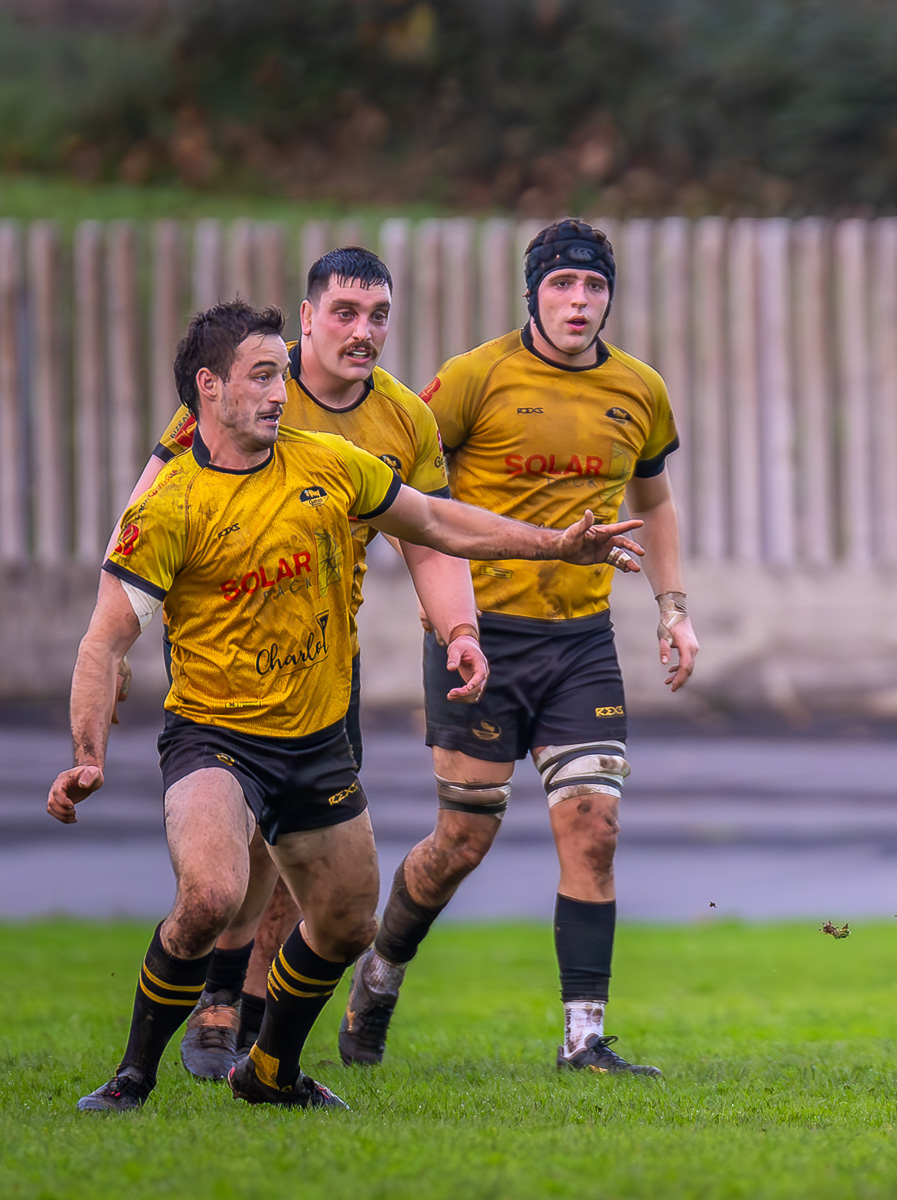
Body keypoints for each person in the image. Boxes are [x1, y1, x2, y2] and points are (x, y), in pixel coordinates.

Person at [52, 301, 645, 1112]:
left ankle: (271, 1072)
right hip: (216, 738)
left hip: (317, 742)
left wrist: (556, 544)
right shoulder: (170, 506)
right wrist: (87, 757)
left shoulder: (330, 463)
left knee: (346, 925)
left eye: (281, 374)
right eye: (263, 375)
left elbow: (434, 522)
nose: (280, 391)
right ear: (209, 387)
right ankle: (132, 1077)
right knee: (211, 897)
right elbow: (102, 642)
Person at [335, 218, 698, 1079]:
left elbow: (655, 502)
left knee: (594, 826)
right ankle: (380, 975)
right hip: (482, 641)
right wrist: (436, 600)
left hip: (581, 643)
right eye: (562, 284)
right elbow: (405, 486)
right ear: (532, 293)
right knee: (461, 842)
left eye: (594, 286)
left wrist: (674, 608)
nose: (579, 301)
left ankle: (584, 1040)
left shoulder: (639, 388)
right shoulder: (474, 377)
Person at [120, 248, 484, 1083]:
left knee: (302, 852)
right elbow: (149, 501)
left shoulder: (404, 420)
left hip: (323, 654)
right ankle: (217, 1004)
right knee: (240, 838)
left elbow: (431, 536)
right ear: (309, 317)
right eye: (346, 312)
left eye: (378, 315)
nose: (364, 331)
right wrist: (115, 637)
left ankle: (252, 1025)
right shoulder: (247, 381)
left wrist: (459, 629)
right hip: (224, 650)